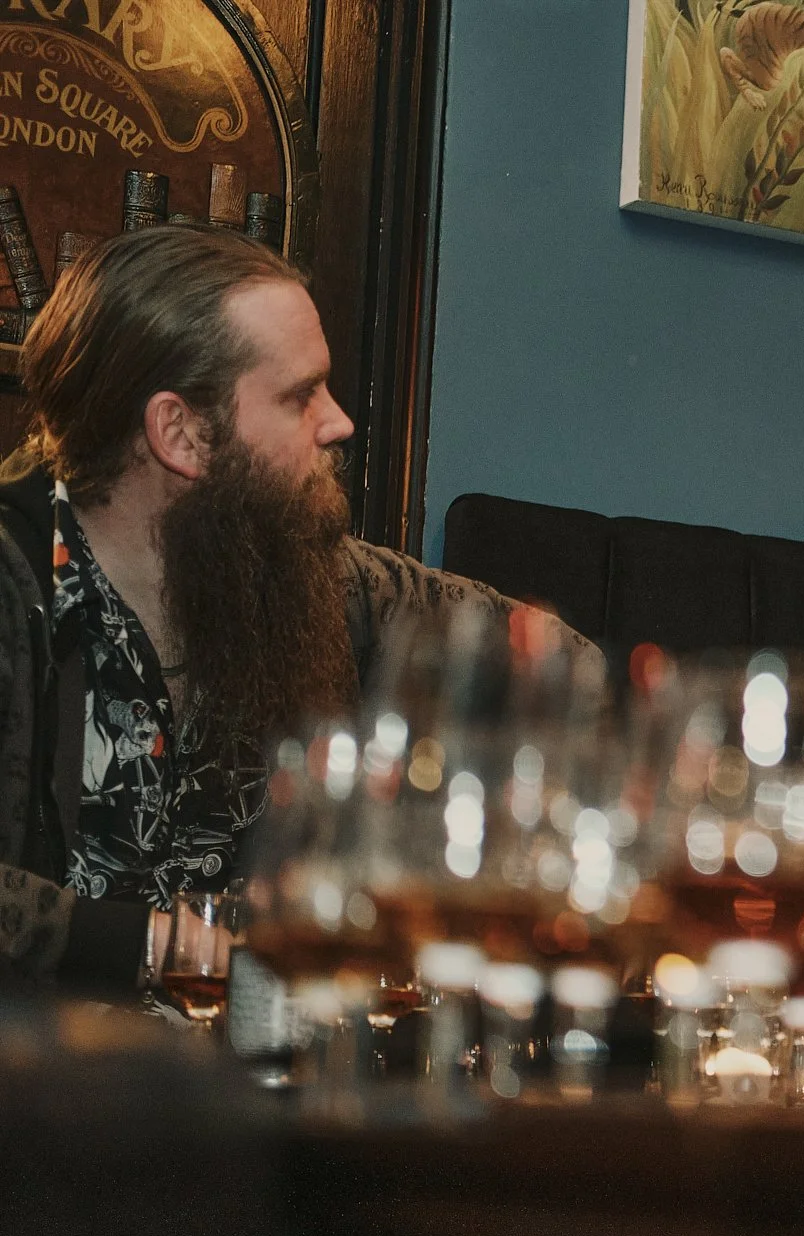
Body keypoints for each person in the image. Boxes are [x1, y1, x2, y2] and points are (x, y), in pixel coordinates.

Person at [0, 225, 597, 991]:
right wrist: (170, 946)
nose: (339, 420)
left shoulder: (318, 577)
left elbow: (552, 658)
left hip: (273, 1088)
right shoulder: (18, 582)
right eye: (299, 395)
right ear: (179, 432)